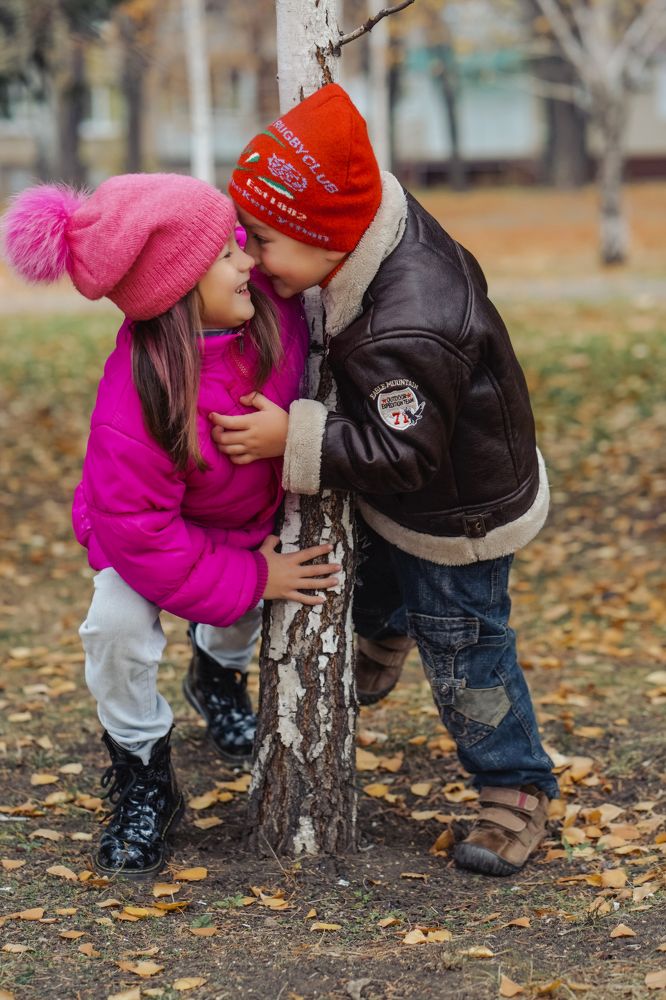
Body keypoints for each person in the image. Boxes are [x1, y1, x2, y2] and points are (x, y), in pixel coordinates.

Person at [209, 84, 559, 877]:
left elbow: (405, 458)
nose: (251, 258)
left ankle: (515, 787)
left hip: (456, 515)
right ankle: (386, 623)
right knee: (373, 571)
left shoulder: (412, 321)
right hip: (412, 490)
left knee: (465, 648)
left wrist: (289, 435)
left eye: (261, 241)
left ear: (323, 237)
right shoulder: (360, 240)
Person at [1, 174, 340, 877]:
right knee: (115, 628)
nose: (247, 259)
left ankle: (216, 678)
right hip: (143, 537)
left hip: (241, 519)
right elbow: (147, 539)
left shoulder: (273, 309)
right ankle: (142, 770)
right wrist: (253, 575)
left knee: (242, 615)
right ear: (178, 288)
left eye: (240, 243)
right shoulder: (135, 399)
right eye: (224, 254)